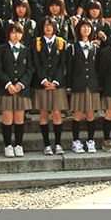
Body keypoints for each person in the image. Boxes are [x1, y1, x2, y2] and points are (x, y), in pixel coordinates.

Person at [0, 21, 33, 157]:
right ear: (8, 34)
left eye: (19, 32)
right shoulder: (0, 50)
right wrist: (8, 84)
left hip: (21, 89)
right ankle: (8, 145)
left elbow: (30, 69)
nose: (16, 35)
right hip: (6, 89)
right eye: (13, 32)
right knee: (7, 119)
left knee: (19, 119)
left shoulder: (26, 50)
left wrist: (21, 84)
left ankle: (18, 145)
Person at [32, 17, 68, 155]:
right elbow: (36, 63)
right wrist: (43, 80)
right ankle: (46, 144)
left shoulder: (60, 42)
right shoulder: (36, 42)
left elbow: (63, 64)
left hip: (57, 85)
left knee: (57, 113)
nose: (48, 28)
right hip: (42, 84)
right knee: (44, 113)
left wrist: (56, 81)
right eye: (46, 25)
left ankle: (58, 143)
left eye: (50, 25)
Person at [65, 19, 101, 154]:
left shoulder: (95, 48)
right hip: (78, 84)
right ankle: (76, 141)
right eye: (83, 27)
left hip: (92, 84)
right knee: (78, 114)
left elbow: (98, 68)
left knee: (91, 114)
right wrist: (68, 85)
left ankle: (90, 141)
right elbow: (69, 68)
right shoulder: (73, 48)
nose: (86, 29)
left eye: (89, 27)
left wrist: (98, 84)